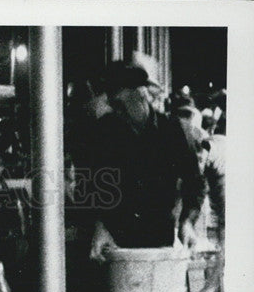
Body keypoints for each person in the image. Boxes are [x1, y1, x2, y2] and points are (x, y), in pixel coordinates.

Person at [86, 61, 206, 261]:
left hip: (159, 236)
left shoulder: (175, 130)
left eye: (119, 104)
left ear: (141, 95)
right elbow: (93, 184)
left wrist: (187, 222)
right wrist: (100, 225)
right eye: (113, 105)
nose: (116, 111)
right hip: (115, 238)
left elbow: (195, 183)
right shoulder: (105, 131)